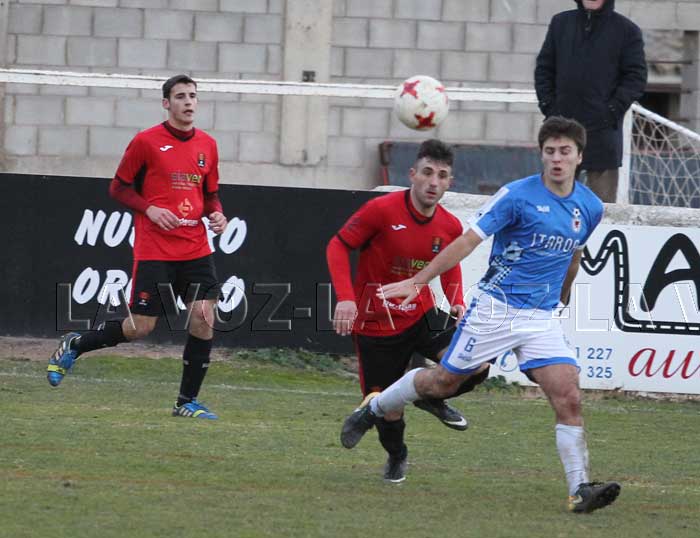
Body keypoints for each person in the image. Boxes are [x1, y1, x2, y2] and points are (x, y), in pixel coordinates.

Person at [340, 117, 621, 513]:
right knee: (443, 382)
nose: (557, 159)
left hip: (540, 318)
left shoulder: (589, 206)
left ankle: (580, 490)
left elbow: (573, 255)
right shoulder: (516, 196)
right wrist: (419, 281)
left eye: (565, 151)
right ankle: (374, 407)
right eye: (550, 151)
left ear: (579, 156)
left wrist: (565, 294)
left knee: (568, 395)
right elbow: (467, 242)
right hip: (495, 308)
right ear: (541, 155)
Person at [47, 74, 227, 420]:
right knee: (140, 327)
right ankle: (77, 343)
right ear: (166, 103)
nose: (188, 102)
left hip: (195, 248)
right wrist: (150, 209)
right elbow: (118, 188)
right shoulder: (146, 142)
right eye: (180, 96)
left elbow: (210, 195)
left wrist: (217, 214)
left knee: (204, 317)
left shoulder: (208, 144)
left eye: (192, 96)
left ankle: (186, 402)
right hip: (155, 249)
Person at [328, 139, 489, 483]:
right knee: (387, 409)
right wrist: (345, 298)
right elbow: (338, 246)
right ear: (412, 174)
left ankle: (430, 396)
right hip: (377, 323)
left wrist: (456, 300)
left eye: (441, 176)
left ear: (449, 183)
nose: (433, 182)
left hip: (422, 315)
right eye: (427, 172)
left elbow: (449, 265)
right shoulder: (381, 210)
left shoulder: (449, 225)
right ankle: (397, 455)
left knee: (477, 363)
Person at [535, 0, 647, 203]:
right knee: (551, 203)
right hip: (560, 131)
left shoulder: (627, 30)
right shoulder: (561, 23)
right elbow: (544, 69)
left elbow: (636, 78)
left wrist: (610, 112)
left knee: (602, 207)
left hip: (603, 134)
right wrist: (550, 108)